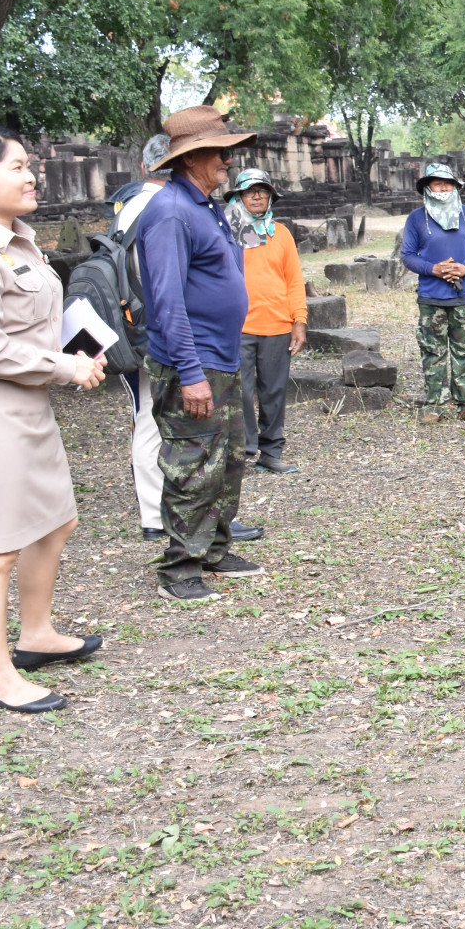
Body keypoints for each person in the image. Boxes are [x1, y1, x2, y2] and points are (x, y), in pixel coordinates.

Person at [0, 123, 108, 713]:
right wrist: (64, 368)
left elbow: (30, 326)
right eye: (16, 168)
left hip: (25, 401)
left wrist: (79, 353)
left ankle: (37, 634)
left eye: (29, 164)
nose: (31, 175)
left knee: (55, 522)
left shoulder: (19, 241)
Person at [133, 104, 263, 601]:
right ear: (192, 159)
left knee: (228, 457)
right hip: (194, 359)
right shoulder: (169, 214)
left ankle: (212, 546)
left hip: (221, 356)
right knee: (193, 460)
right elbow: (166, 301)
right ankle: (180, 565)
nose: (227, 162)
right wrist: (190, 373)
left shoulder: (204, 206)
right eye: (219, 153)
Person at [225, 168, 307, 473]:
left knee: (273, 391)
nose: (257, 196)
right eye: (250, 191)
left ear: (271, 196)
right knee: (241, 391)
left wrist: (300, 320)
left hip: (277, 325)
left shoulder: (281, 233)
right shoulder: (227, 232)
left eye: (263, 191)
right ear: (238, 197)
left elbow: (294, 281)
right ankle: (243, 450)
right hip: (239, 325)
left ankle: (271, 452)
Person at [109, 144, 172, 541]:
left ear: (144, 165)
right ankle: (162, 514)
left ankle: (156, 512)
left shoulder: (127, 205)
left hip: (132, 327)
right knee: (158, 420)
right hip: (155, 330)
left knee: (148, 417)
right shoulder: (164, 208)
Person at [399, 161, 465, 425]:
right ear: (427, 188)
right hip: (431, 296)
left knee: (464, 350)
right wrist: (434, 269)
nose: (443, 188)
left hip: (463, 295)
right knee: (432, 351)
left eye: (448, 183)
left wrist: (463, 268)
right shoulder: (417, 218)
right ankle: (433, 405)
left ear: (456, 187)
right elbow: (407, 256)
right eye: (437, 183)